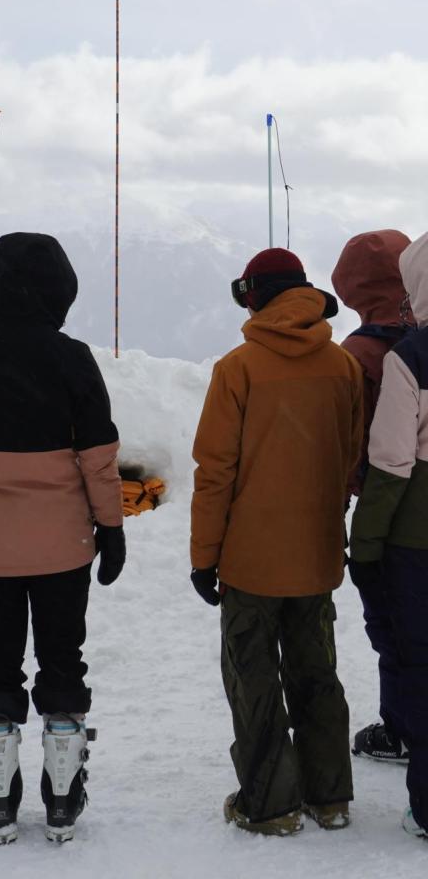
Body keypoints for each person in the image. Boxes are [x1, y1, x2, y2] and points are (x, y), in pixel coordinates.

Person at [0, 233, 125, 845]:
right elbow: (98, 456)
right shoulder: (72, 356)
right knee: (63, 658)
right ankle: (64, 796)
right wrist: (111, 529)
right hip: (64, 544)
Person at [190, 248, 362, 836]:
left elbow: (215, 473)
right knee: (317, 670)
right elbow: (349, 457)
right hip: (316, 552)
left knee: (253, 674)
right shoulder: (342, 366)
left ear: (254, 296)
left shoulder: (237, 368)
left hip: (250, 561)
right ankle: (329, 795)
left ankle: (271, 805)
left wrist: (203, 557)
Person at [349, 231, 428, 840]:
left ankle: (418, 777)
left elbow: (389, 458)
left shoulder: (402, 355)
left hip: (410, 532)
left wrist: (366, 540)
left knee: (408, 647)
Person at [332, 230, 413, 763]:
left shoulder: (356, 355)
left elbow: (341, 446)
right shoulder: (424, 334)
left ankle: (402, 728)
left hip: (387, 515)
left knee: (392, 627)